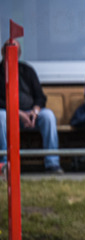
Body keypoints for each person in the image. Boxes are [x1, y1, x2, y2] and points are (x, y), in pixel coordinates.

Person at [0, 41, 62, 174]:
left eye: (15, 52)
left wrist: (35, 111)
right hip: (8, 114)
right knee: (1, 116)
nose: (12, 55)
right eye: (9, 51)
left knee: (48, 116)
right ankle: (5, 164)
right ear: (3, 53)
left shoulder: (27, 70)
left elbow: (40, 96)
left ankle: (52, 164)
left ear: (19, 54)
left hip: (30, 114)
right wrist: (17, 113)